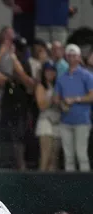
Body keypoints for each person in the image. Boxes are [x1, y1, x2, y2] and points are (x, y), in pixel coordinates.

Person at [0, 36, 35, 170]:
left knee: (19, 145)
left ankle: (22, 169)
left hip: (20, 116)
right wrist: (1, 54)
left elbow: (26, 79)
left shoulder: (26, 77)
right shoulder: (9, 80)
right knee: (4, 145)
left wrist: (13, 57)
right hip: (7, 115)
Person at [53, 44, 93, 172]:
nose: (71, 58)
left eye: (74, 56)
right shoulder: (62, 77)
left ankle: (85, 187)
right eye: (69, 56)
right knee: (68, 157)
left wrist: (76, 99)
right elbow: (56, 97)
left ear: (79, 57)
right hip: (65, 120)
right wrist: (61, 103)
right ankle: (69, 188)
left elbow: (91, 96)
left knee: (81, 155)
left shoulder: (86, 75)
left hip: (82, 120)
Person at [35, 62, 61, 171]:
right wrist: (51, 99)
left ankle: (52, 186)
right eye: (47, 71)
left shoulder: (57, 86)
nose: (50, 73)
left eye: (52, 71)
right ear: (44, 72)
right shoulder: (41, 86)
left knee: (54, 158)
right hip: (45, 122)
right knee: (46, 154)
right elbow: (41, 106)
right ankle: (40, 185)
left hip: (57, 122)